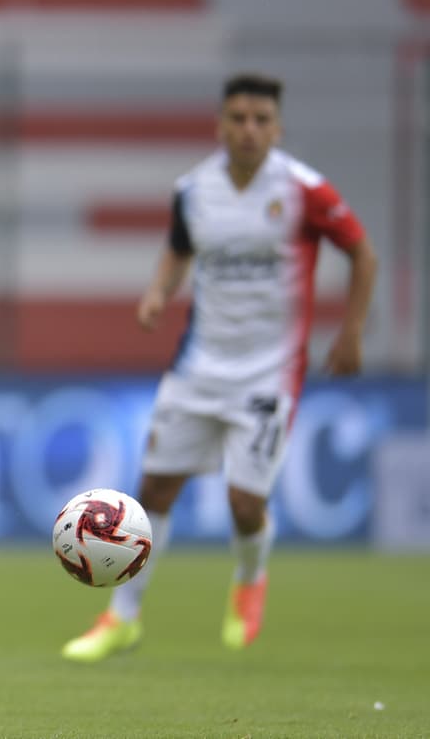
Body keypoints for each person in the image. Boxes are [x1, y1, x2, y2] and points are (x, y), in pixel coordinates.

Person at [61, 73, 378, 662]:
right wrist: (159, 291)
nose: (249, 129)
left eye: (261, 120)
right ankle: (121, 618)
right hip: (198, 368)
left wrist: (352, 329)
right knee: (154, 488)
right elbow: (180, 247)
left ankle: (249, 580)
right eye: (238, 118)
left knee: (244, 504)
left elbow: (361, 250)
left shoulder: (304, 190)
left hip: (269, 373)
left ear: (277, 129)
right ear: (221, 124)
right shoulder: (194, 190)